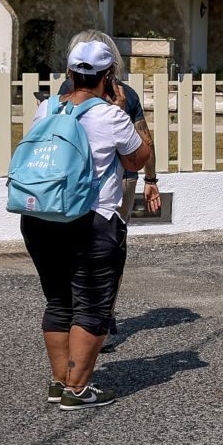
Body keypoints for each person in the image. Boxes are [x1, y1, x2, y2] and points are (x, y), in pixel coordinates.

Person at [22, 40, 152, 410]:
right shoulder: (110, 115)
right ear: (108, 76)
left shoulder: (46, 107)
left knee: (59, 300)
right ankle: (77, 391)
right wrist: (124, 118)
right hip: (91, 219)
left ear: (69, 73)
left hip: (39, 216)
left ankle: (59, 382)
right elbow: (136, 160)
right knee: (92, 305)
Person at [58, 30, 161, 352]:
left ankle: (76, 315)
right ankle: (104, 314)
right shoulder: (124, 95)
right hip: (118, 180)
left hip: (68, 182)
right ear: (111, 66)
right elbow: (145, 143)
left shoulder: (61, 94)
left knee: (71, 249)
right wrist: (152, 179)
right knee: (111, 248)